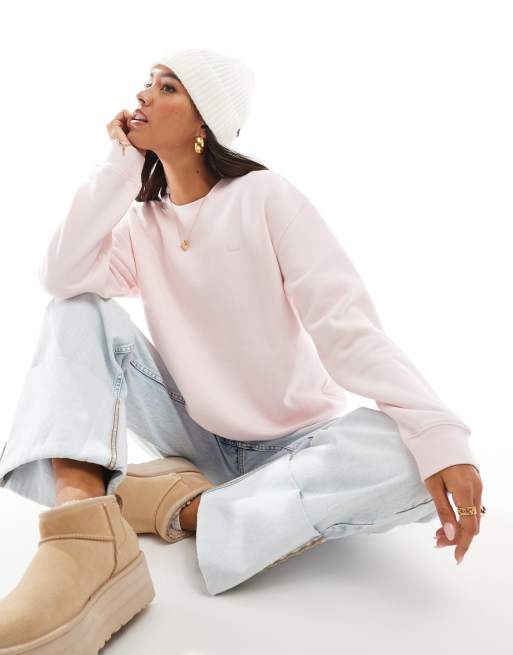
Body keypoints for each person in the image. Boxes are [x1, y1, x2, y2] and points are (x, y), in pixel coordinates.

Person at [0, 47, 484, 652]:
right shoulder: (145, 224)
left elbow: (346, 328)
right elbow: (62, 274)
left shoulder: (265, 196)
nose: (143, 95)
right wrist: (121, 167)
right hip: (195, 433)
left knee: (411, 454)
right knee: (74, 310)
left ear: (203, 120)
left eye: (168, 87)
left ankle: (179, 508)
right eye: (147, 82)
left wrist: (439, 432)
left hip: (297, 445)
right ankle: (82, 531)